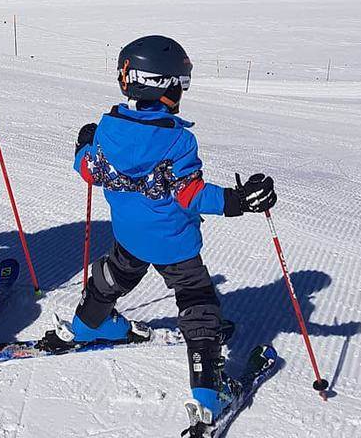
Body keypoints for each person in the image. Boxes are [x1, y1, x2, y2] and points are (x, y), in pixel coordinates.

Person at [71, 35, 277, 423]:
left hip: (129, 236)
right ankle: (208, 391)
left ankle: (86, 324)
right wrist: (240, 200)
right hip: (173, 244)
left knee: (115, 274)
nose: (182, 92)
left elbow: (87, 169)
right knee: (197, 298)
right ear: (164, 87)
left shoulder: (108, 128)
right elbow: (193, 196)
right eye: (181, 84)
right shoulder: (178, 140)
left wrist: (84, 144)